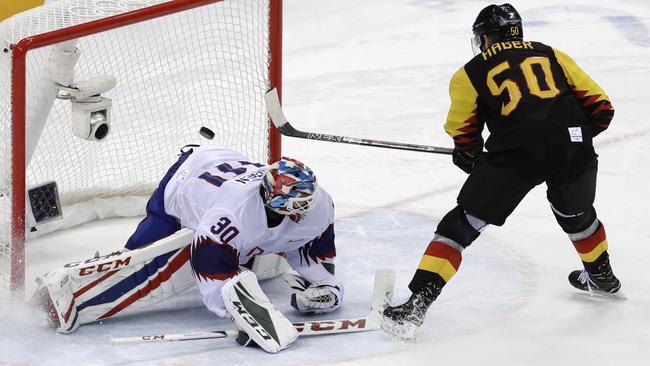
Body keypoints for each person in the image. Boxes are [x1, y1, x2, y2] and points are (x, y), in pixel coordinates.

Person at [381, 3, 620, 339]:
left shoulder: (470, 71)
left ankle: (417, 304)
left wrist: (469, 153)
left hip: (515, 154)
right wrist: (567, 136)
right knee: (576, 213)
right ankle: (602, 275)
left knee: (461, 225)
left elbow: (462, 128)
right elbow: (602, 107)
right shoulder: (552, 54)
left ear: (486, 37)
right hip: (571, 146)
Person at [35, 144, 343, 350]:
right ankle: (66, 294)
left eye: (308, 200)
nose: (306, 208)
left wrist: (325, 283)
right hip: (185, 182)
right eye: (298, 203)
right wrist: (240, 315)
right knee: (143, 262)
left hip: (221, 160)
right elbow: (208, 268)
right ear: (274, 201)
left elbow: (312, 246)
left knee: (240, 255)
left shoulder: (321, 204)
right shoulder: (232, 214)